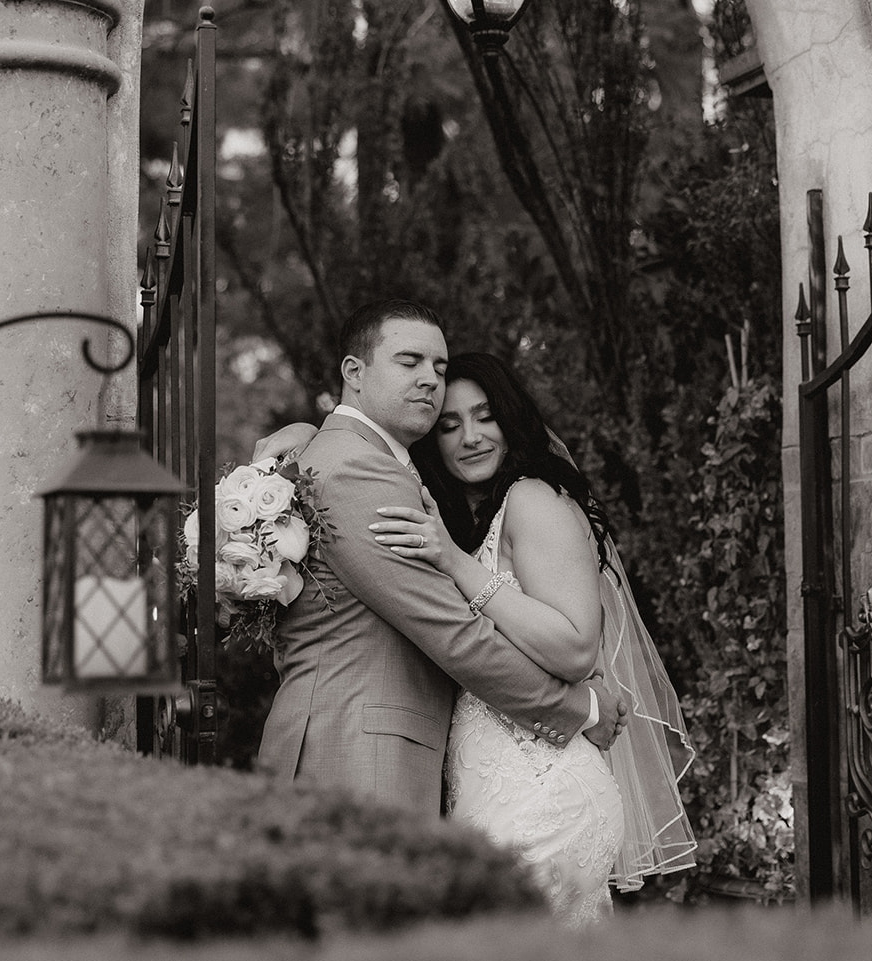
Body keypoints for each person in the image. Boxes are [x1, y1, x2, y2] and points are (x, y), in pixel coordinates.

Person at [261, 348, 697, 925]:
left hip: (539, 787)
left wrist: (458, 565)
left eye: (486, 416)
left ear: (512, 419)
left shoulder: (533, 500)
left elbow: (575, 648)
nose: (470, 437)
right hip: (479, 783)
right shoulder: (457, 517)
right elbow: (369, 457)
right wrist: (315, 432)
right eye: (450, 424)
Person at [255, 300, 627, 820]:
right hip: (357, 759)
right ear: (354, 373)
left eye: (439, 367)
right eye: (410, 362)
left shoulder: (366, 463)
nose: (430, 378)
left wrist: (312, 433)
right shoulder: (354, 467)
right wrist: (580, 708)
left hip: (395, 760)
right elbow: (450, 630)